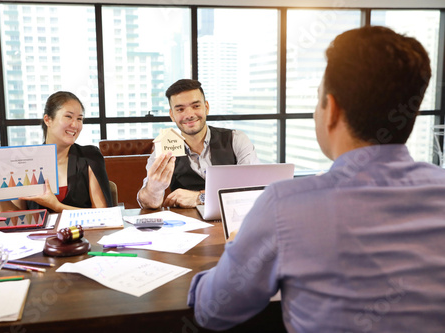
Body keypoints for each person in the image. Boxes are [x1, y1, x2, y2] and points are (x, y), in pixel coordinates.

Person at [187, 26, 445, 332]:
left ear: (331, 109)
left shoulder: (284, 205)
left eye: (317, 99)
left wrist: (236, 248)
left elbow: (213, 311)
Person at [0, 91, 114, 213]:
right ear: (48, 120)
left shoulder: (90, 157)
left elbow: (102, 214)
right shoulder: (26, 160)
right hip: (39, 241)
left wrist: (56, 205)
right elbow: (16, 216)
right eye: (68, 117)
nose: (75, 125)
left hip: (83, 238)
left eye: (79, 119)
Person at [137, 79, 259, 209]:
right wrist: (154, 189)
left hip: (234, 222)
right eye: (180, 109)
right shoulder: (163, 149)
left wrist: (200, 198)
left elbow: (255, 191)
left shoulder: (236, 139)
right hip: (187, 225)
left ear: (206, 107)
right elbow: (147, 204)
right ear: (172, 115)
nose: (189, 114)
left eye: (196, 106)